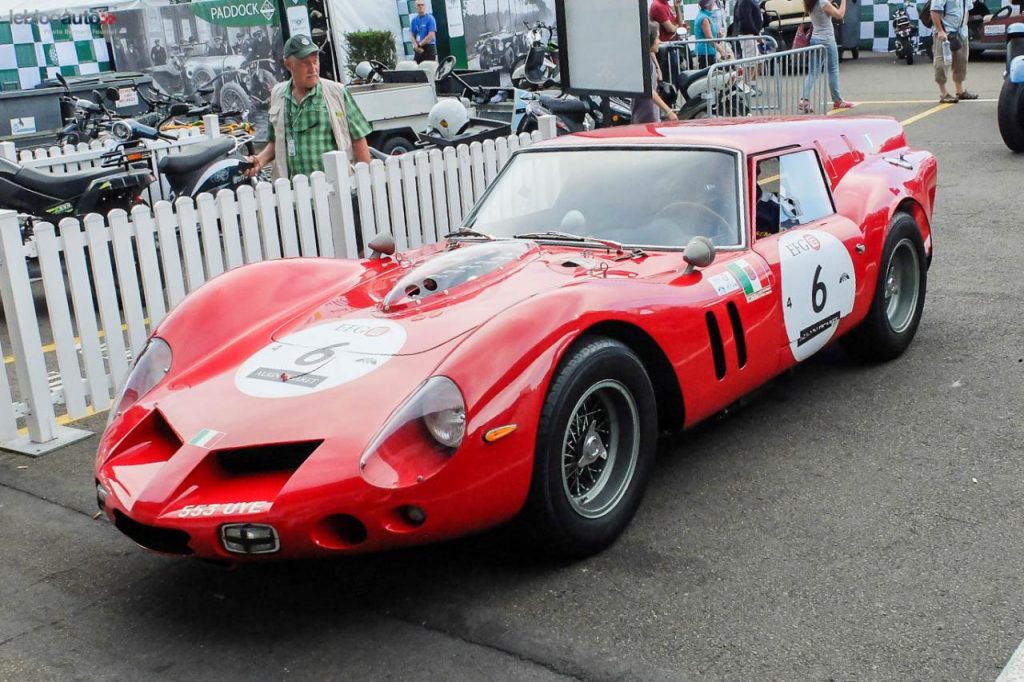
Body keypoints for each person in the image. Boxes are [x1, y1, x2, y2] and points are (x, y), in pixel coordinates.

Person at [246, 35, 371, 182]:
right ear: (288, 65)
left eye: (315, 61)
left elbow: (359, 140)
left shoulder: (337, 92)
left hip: (335, 189)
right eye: (305, 63)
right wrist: (260, 160)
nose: (313, 69)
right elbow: (276, 143)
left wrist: (366, 182)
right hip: (294, 191)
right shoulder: (277, 94)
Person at [799, 0, 854, 112]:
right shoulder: (823, 2)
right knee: (833, 70)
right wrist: (844, 2)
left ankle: (803, 99)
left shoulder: (810, 2)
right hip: (827, 39)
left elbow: (825, 6)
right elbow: (839, 15)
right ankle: (837, 101)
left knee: (813, 72)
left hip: (815, 38)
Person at [632, 21, 680, 124]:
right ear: (650, 40)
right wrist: (668, 111)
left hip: (648, 112)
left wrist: (657, 70)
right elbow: (649, 90)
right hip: (645, 114)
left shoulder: (647, 58)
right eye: (657, 38)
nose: (659, 41)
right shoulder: (644, 62)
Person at [931, 0, 978, 103]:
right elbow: (934, 11)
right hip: (945, 33)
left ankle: (959, 91)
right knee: (941, 63)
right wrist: (940, 31)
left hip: (961, 33)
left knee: (961, 62)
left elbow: (967, 10)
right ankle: (943, 93)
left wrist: (963, 27)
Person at [734, 0, 764, 94]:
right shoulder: (745, 2)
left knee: (759, 61)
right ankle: (746, 87)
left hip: (752, 34)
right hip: (748, 35)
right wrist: (756, 35)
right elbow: (747, 20)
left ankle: (752, 85)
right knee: (750, 63)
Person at [650, 0, 683, 80]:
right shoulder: (658, 5)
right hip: (663, 51)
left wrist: (677, 8)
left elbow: (679, 24)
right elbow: (671, 29)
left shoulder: (665, 4)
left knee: (674, 75)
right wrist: (677, 27)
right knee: (669, 77)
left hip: (669, 47)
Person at [694, 0, 731, 69]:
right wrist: (721, 51)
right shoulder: (704, 18)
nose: (714, 4)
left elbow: (708, 35)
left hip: (707, 52)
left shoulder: (704, 16)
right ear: (709, 4)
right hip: (706, 52)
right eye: (713, 2)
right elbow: (709, 38)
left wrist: (717, 34)